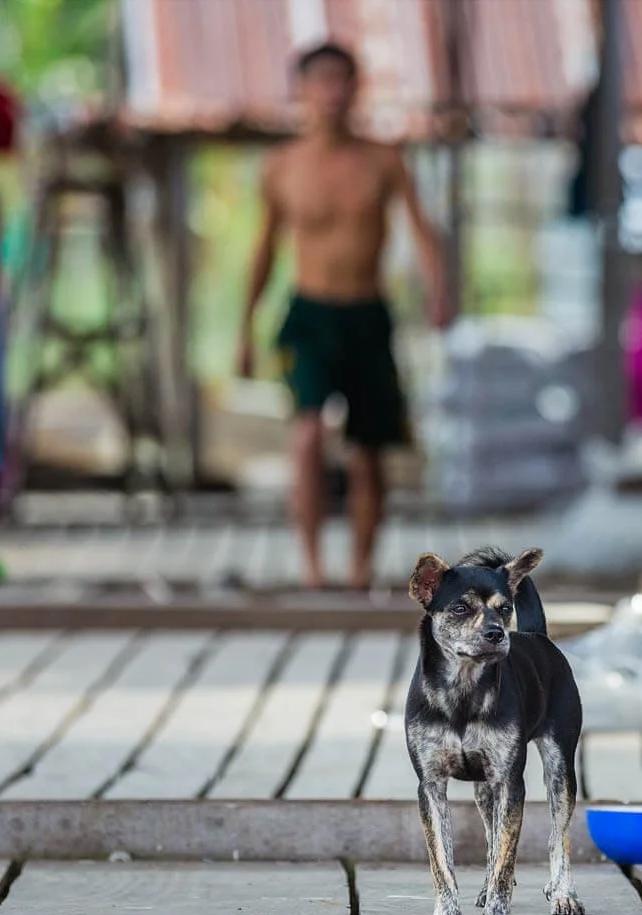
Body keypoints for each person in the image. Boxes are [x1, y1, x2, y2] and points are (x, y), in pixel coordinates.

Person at [239, 42, 449, 591]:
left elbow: (422, 231)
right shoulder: (282, 166)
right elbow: (264, 249)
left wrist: (438, 291)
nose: (331, 93)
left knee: (366, 451)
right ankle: (312, 568)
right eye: (321, 81)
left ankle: (359, 570)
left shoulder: (383, 160)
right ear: (302, 90)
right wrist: (244, 328)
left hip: (366, 314)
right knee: (308, 434)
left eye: (341, 80)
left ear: (356, 88)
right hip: (308, 314)